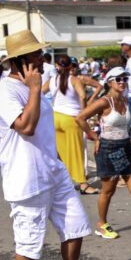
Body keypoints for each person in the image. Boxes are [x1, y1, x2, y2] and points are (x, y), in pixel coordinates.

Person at [0, 30, 102, 260]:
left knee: (76, 225)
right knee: (29, 239)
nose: (43, 58)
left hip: (53, 170)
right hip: (26, 177)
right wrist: (34, 89)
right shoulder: (5, 90)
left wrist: (59, 159)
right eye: (37, 54)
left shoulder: (35, 87)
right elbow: (26, 128)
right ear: (20, 60)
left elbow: (43, 131)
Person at [75, 67, 131, 242]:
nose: (122, 82)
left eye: (125, 79)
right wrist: (94, 137)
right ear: (109, 82)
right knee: (108, 190)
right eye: (118, 79)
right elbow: (80, 118)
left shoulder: (124, 99)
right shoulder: (104, 102)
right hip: (109, 148)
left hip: (126, 146)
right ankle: (102, 224)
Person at [46, 56, 98, 195]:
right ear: (70, 66)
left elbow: (39, 92)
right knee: (77, 152)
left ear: (57, 65)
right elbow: (82, 96)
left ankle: (63, 183)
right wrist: (84, 113)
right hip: (72, 119)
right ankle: (83, 184)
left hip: (55, 117)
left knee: (61, 154)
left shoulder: (51, 80)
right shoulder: (74, 79)